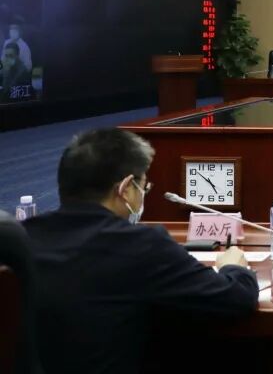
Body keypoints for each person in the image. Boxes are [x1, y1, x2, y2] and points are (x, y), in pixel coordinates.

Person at [22, 128, 258, 374]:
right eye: (143, 188)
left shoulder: (24, 237)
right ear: (125, 189)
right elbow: (237, 299)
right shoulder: (140, 244)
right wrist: (234, 267)